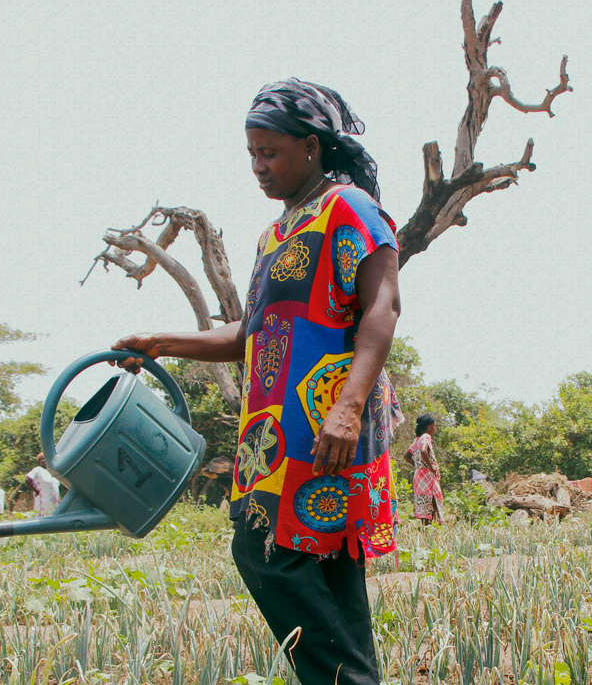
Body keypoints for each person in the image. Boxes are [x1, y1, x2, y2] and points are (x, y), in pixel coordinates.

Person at [112, 78, 401, 685]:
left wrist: (346, 410)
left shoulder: (350, 209)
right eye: (251, 154)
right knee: (327, 578)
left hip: (324, 426)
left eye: (269, 152)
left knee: (265, 552)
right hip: (270, 432)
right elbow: (251, 334)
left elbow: (383, 308)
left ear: (312, 146)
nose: (258, 166)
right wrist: (159, 342)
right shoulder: (276, 234)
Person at [407, 414, 443, 525]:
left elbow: (407, 456)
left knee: (423, 502)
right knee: (434, 500)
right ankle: (436, 526)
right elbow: (423, 450)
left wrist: (418, 466)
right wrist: (430, 466)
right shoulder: (426, 437)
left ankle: (426, 527)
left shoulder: (416, 440)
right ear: (429, 426)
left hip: (419, 475)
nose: (435, 429)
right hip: (427, 475)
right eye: (434, 426)